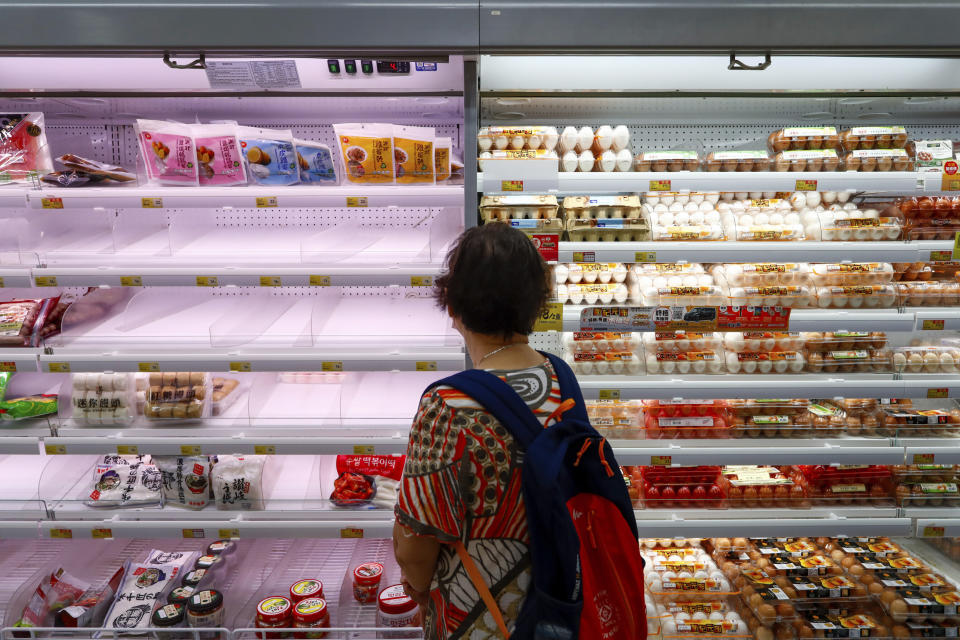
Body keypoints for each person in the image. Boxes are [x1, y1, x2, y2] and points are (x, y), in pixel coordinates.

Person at [393, 222, 558, 638]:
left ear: (452, 306)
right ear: (537, 304)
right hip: (559, 609)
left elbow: (416, 544)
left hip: (482, 621)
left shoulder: (447, 406)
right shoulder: (562, 382)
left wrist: (416, 588)